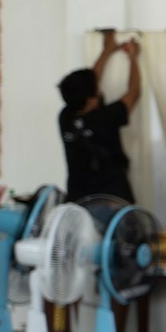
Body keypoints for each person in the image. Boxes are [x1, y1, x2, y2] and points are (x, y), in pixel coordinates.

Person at [57, 31, 141, 203]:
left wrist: (106, 50)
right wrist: (133, 58)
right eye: (97, 91)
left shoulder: (65, 117)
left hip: (78, 200)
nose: (100, 90)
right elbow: (134, 93)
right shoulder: (106, 118)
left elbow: (89, 81)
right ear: (90, 100)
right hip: (113, 199)